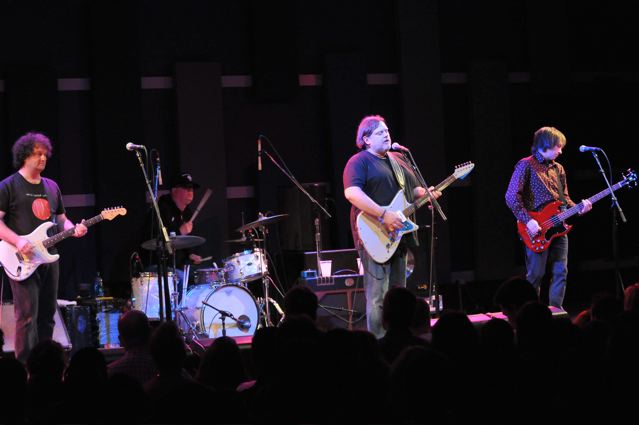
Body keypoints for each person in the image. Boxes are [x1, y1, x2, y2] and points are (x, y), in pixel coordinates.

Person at [343, 115, 440, 338]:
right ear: (366, 139)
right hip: (374, 234)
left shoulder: (398, 159)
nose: (386, 134)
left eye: (387, 130)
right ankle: (378, 343)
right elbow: (352, 193)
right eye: (379, 132)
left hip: (399, 235)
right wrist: (384, 214)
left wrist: (427, 194)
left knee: (400, 294)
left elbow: (412, 192)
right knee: (378, 296)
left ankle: (400, 339)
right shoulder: (359, 162)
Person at [0, 132, 88, 363]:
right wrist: (18, 241)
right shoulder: (8, 186)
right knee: (27, 316)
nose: (42, 158)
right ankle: (25, 368)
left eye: (44, 154)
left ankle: (46, 365)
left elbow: (61, 220)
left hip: (49, 258)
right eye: (37, 154)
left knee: (48, 315)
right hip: (21, 259)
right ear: (24, 156)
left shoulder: (52, 187)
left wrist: (74, 228)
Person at [505, 126, 592, 309]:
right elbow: (511, 196)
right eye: (558, 147)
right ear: (545, 145)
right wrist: (528, 220)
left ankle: (556, 311)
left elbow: (564, 199)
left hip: (559, 226)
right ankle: (529, 312)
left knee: (561, 271)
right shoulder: (525, 165)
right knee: (536, 274)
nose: (561, 151)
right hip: (535, 228)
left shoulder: (558, 168)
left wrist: (578, 208)